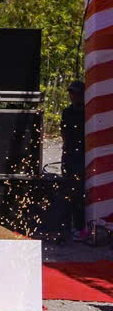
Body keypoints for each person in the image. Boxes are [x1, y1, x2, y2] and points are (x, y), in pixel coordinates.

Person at [61, 80, 87, 240]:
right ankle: (69, 225)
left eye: (76, 93)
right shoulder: (67, 112)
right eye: (71, 93)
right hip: (69, 154)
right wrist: (65, 147)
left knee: (79, 191)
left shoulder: (88, 112)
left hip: (82, 154)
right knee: (67, 189)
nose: (73, 96)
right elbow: (63, 130)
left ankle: (80, 226)